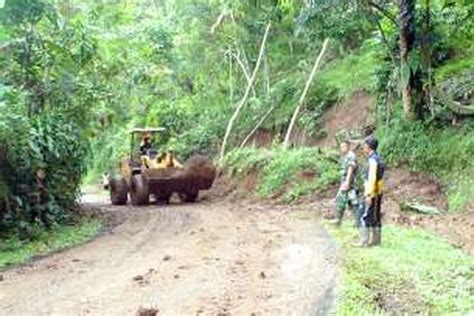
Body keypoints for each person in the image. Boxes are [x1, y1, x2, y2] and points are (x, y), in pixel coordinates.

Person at [357, 136, 385, 247]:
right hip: (378, 192)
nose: (363, 148)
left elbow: (372, 177)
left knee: (365, 216)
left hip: (372, 193)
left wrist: (368, 194)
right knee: (375, 217)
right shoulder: (378, 158)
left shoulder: (372, 160)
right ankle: (376, 241)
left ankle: (364, 241)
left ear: (368, 147)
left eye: (364, 146)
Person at [331, 140, 360, 227]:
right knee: (344, 201)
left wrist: (347, 182)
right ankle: (339, 220)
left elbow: (351, 169)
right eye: (341, 147)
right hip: (346, 182)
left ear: (348, 147)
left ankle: (356, 221)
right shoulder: (346, 156)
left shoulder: (351, 155)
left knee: (352, 202)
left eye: (343, 147)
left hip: (350, 183)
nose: (342, 149)